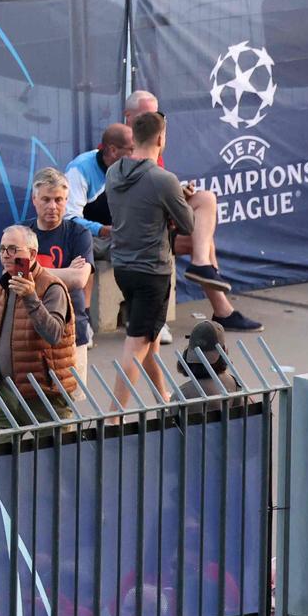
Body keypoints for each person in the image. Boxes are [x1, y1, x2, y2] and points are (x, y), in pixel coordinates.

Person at [105, 111, 193, 405]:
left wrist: (169, 200)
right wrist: (179, 199)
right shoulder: (163, 179)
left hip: (123, 267)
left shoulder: (113, 172)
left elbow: (138, 206)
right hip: (152, 272)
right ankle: (114, 415)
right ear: (160, 138)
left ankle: (163, 397)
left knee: (150, 341)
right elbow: (188, 224)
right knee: (137, 344)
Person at [0, 223, 79, 426]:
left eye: (13, 249)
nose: (6, 254)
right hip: (7, 390)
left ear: (33, 254)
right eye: (2, 249)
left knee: (54, 453)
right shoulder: (4, 285)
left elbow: (53, 334)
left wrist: (30, 297)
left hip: (44, 393)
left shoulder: (51, 287)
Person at [29, 165, 97, 386]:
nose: (52, 206)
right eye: (46, 199)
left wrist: (34, 271)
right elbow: (13, 276)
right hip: (30, 333)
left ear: (66, 200)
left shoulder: (79, 234)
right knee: (32, 405)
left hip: (72, 332)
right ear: (34, 199)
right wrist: (66, 272)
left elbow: (79, 280)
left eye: (59, 200)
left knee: (70, 405)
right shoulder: (21, 234)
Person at [63, 124, 132, 234]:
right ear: (113, 150)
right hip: (89, 243)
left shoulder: (134, 167)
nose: (137, 155)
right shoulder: (79, 169)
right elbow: (69, 219)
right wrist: (102, 230)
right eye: (132, 149)